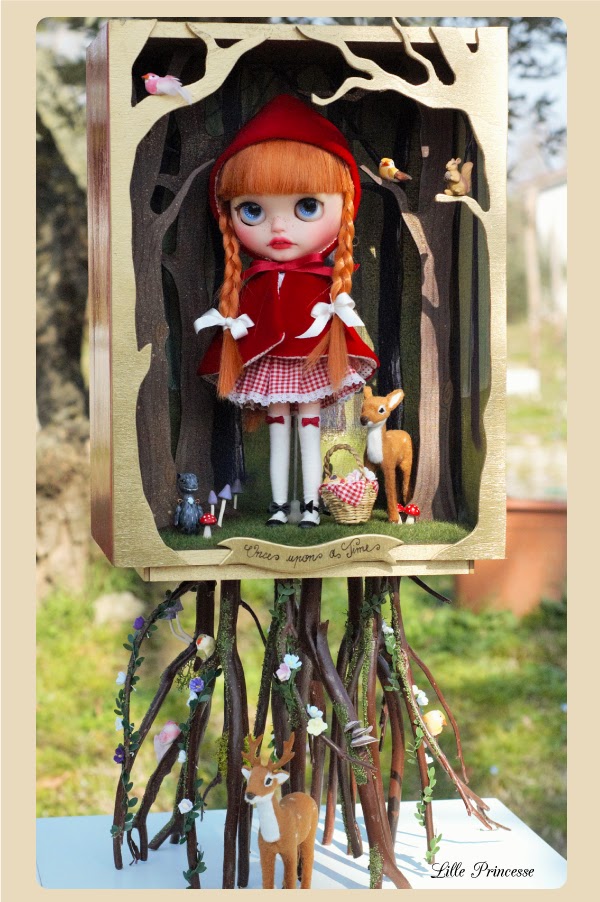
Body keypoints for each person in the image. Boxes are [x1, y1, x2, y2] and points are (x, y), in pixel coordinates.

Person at [195, 95, 379, 528]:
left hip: (313, 362)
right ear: (228, 213)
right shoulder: (253, 282)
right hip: (271, 367)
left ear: (345, 205)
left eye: (307, 206)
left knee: (309, 432)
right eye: (253, 210)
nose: (278, 227)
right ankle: (280, 505)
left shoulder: (322, 281)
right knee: (279, 431)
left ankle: (310, 504)